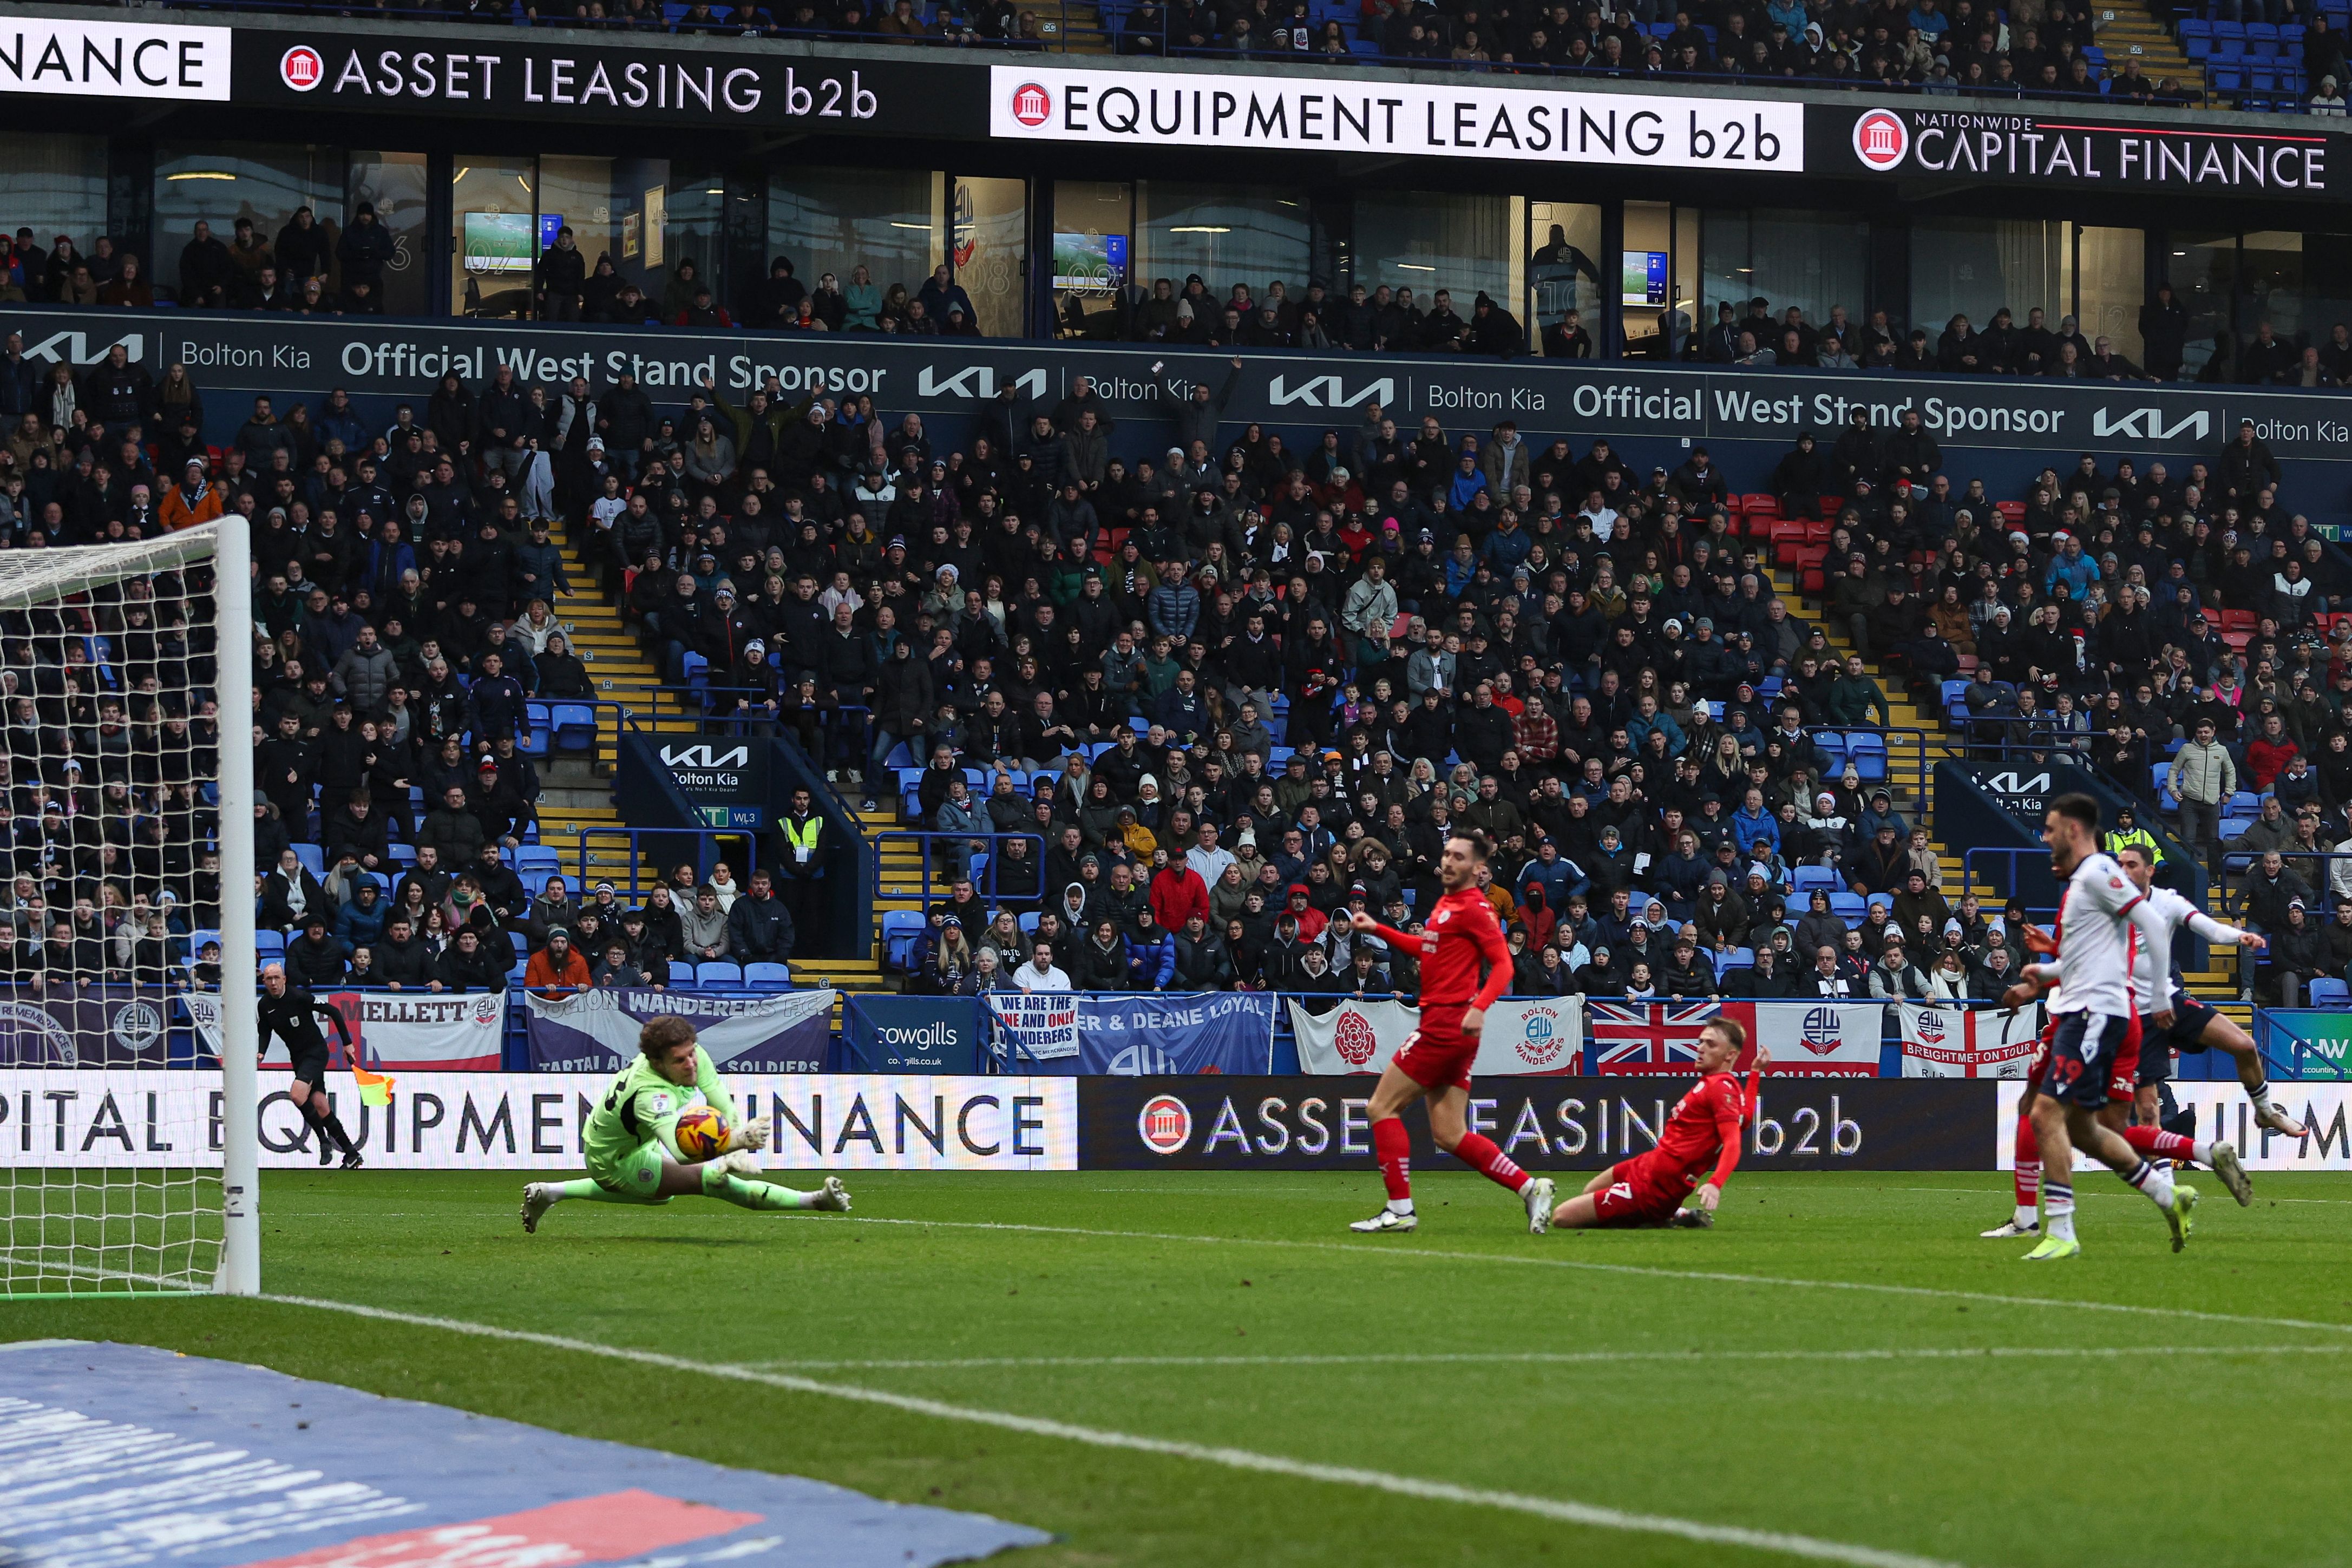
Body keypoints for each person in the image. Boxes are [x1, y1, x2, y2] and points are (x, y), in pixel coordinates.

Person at [1995, 793, 2199, 1259]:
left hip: (2095, 1016)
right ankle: (2170, 1196)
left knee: (2044, 1112)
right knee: (2087, 1130)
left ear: (2071, 830)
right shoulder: (2080, 886)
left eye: (2049, 828)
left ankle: (2061, 1231)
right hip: (2090, 1008)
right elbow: (2085, 961)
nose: (2044, 838)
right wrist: (2039, 979)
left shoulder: (2097, 873)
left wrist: (2162, 995)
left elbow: (2149, 918)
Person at [1341, 829, 1555, 1235]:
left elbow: (1504, 965)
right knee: (1449, 1133)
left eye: (1458, 856)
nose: (1448, 861)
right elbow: (1426, 948)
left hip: (1446, 1023)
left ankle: (1400, 1208)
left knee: (1379, 1108)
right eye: (1446, 854)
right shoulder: (1446, 904)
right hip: (1454, 1030)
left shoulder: (1476, 908)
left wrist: (1478, 1006)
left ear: (1477, 869)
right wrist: (1379, 929)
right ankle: (1530, 1188)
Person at [521, 1015, 848, 1229]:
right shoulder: (649, 1094)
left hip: (631, 1141)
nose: (691, 1064)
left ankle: (552, 1192)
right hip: (613, 1160)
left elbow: (718, 1096)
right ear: (656, 1063)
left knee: (665, 1194)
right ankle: (817, 1201)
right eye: (680, 1061)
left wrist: (735, 1143)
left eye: (692, 1053)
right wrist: (736, 1141)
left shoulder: (691, 1054)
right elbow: (679, 1151)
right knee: (709, 1182)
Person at [1545, 1019, 1762, 1230]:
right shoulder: (1716, 1086)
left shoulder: (1720, 1089)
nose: (1701, 1048)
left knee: (1561, 1217)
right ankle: (1670, 1214)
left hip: (1655, 1188)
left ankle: (1659, 1214)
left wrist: (1715, 1183)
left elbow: (1733, 1142)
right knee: (1590, 1190)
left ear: (1730, 1055)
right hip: (1648, 1165)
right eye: (1701, 1042)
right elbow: (1746, 1117)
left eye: (1711, 1044)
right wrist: (1755, 1073)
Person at [255, 962, 362, 1170]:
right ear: (264, 982)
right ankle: (352, 1154)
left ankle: (323, 1141)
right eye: (270, 979)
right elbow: (265, 1031)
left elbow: (333, 1011)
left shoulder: (299, 997)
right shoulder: (264, 1005)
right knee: (321, 1107)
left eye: (278, 978)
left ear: (285, 979)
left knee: (297, 1095)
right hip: (298, 1058)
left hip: (316, 1052)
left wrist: (347, 1043)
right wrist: (261, 1052)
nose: (274, 983)